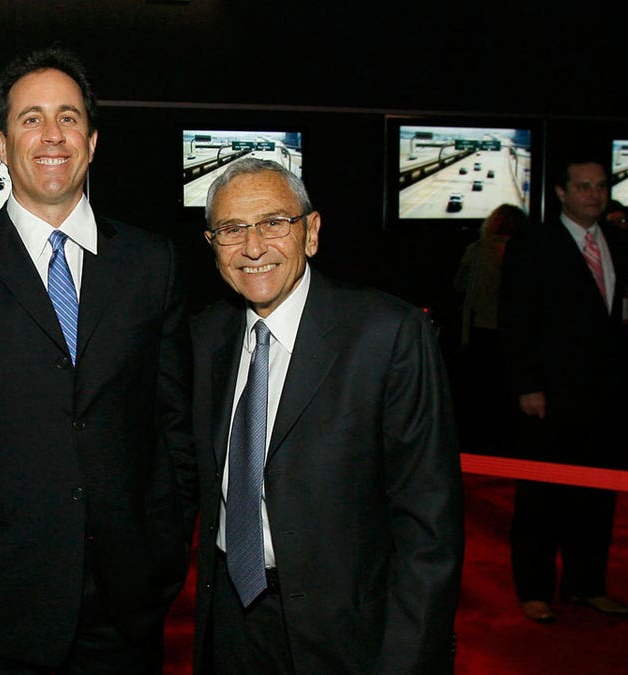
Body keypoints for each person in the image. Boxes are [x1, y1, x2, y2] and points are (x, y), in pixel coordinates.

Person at [0, 46, 195, 674]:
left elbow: (173, 420)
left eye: (68, 118)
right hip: (1, 600)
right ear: (0, 142)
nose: (51, 135)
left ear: (91, 142)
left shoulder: (153, 264)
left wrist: (168, 546)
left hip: (130, 599)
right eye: (31, 118)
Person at [190, 157, 463, 673]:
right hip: (231, 620)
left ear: (311, 232)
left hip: (347, 635)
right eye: (232, 229)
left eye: (273, 223)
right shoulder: (207, 337)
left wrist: (408, 659)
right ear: (211, 245)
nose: (253, 247)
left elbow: (429, 527)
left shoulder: (389, 335)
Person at [499, 157, 628, 623]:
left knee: (598, 497)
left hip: (608, 397)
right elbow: (516, 321)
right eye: (583, 187)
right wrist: (528, 385)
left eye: (600, 186)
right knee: (541, 497)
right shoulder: (534, 245)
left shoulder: (619, 242)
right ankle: (535, 590)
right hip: (550, 396)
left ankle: (587, 585)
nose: (594, 195)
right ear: (560, 192)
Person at [451, 203, 527, 454]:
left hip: (480, 328)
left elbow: (459, 284)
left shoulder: (478, 250)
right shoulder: (524, 252)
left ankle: (481, 443)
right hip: (513, 332)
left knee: (481, 390)